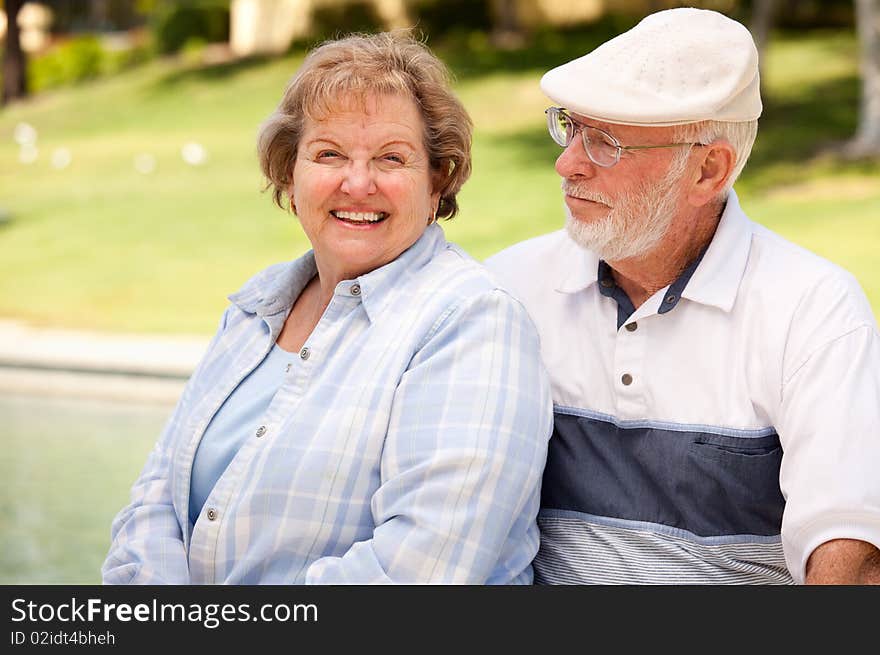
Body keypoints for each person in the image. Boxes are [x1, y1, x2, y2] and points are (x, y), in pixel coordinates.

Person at [103, 32, 552, 585]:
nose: (357, 183)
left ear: (437, 182)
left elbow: (417, 572)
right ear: (290, 177)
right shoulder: (257, 307)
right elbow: (153, 505)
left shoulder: (474, 323)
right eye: (329, 154)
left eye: (392, 158)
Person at [486, 8, 880, 584]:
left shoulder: (812, 309)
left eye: (604, 143)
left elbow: (849, 549)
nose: (566, 163)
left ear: (707, 171)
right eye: (571, 128)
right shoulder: (509, 288)